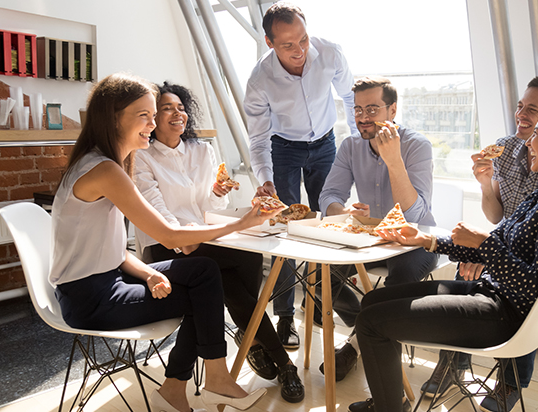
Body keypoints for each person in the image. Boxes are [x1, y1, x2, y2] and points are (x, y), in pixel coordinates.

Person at [348, 95, 538, 412]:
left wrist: (484, 246)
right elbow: (494, 241)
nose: (528, 142)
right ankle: (391, 399)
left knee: (372, 322)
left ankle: (389, 407)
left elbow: (533, 286)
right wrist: (425, 241)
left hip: (504, 315)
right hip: (488, 294)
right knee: (372, 301)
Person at [50, 73, 280, 412]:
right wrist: (244, 223)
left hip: (105, 280)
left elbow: (110, 251)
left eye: (152, 116)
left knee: (203, 272)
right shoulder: (104, 171)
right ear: (115, 118)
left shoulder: (108, 164)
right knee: (201, 294)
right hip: (89, 298)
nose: (152, 123)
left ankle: (189, 384)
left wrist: (146, 273)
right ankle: (204, 381)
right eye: (144, 115)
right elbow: (168, 236)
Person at [133, 82, 304, 403]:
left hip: (204, 239)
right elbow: (160, 217)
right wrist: (194, 235)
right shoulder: (141, 157)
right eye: (167, 108)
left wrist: (217, 193)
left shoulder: (201, 150)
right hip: (165, 246)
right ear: (153, 117)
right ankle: (280, 361)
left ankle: (251, 334)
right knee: (224, 278)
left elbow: (211, 211)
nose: (177, 113)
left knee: (248, 255)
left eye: (181, 107)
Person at [417, 76, 538, 410]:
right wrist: (486, 182)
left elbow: (530, 238)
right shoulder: (505, 148)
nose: (521, 114)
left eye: (532, 109)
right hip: (503, 239)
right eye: (520, 106)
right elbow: (495, 215)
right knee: (464, 270)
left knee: (518, 289)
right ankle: (454, 364)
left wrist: (488, 253)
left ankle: (510, 380)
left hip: (529, 257)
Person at [244, 1, 358, 349]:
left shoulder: (330, 53)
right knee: (285, 233)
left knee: (330, 223)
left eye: (303, 40)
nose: (300, 51)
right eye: (288, 45)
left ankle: (322, 301)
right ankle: (285, 319)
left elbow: (351, 99)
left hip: (325, 144)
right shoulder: (260, 79)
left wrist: (358, 147)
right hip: (284, 150)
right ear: (269, 43)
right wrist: (265, 178)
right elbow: (259, 138)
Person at [314, 76, 438, 381]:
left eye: (372, 109)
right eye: (357, 110)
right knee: (319, 278)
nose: (363, 118)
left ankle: (355, 345)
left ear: (392, 110)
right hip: (370, 238)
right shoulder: (350, 146)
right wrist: (344, 212)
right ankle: (367, 330)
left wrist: (393, 160)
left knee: (399, 281)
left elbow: (415, 214)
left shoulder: (417, 146)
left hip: (414, 241)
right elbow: (328, 196)